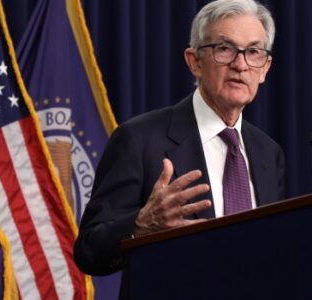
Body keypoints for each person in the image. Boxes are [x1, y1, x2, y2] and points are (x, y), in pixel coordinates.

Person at [74, 0, 285, 277]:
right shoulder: (138, 140)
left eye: (253, 52)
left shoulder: (269, 153)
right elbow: (89, 251)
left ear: (265, 68)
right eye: (224, 48)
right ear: (194, 62)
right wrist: (140, 225)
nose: (240, 64)